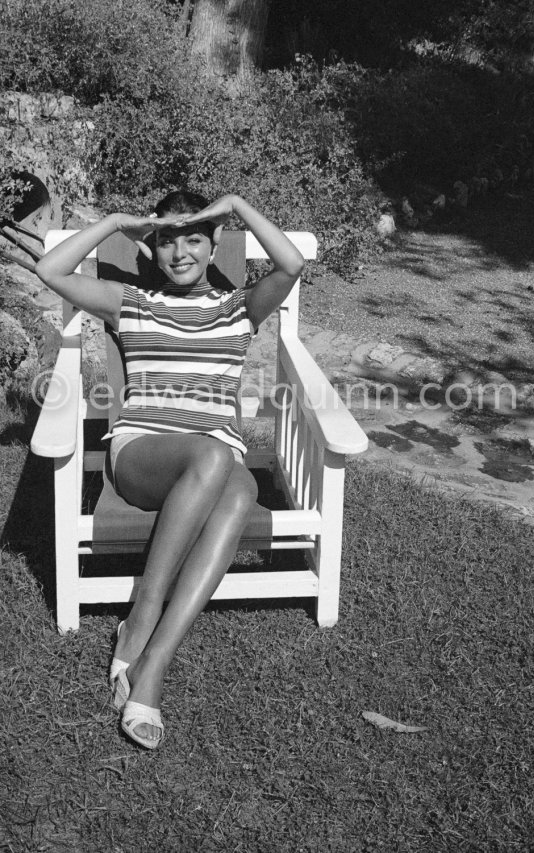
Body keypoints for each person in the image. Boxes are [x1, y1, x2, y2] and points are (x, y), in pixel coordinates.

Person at [35, 191, 305, 749]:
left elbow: (292, 264)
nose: (180, 251)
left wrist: (233, 203)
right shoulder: (128, 301)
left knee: (240, 486)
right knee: (215, 456)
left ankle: (153, 662)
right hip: (143, 455)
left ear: (212, 247)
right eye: (166, 240)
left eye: (194, 239)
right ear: (151, 248)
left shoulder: (241, 308)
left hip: (215, 460)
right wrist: (114, 222)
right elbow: (49, 267)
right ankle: (142, 614)